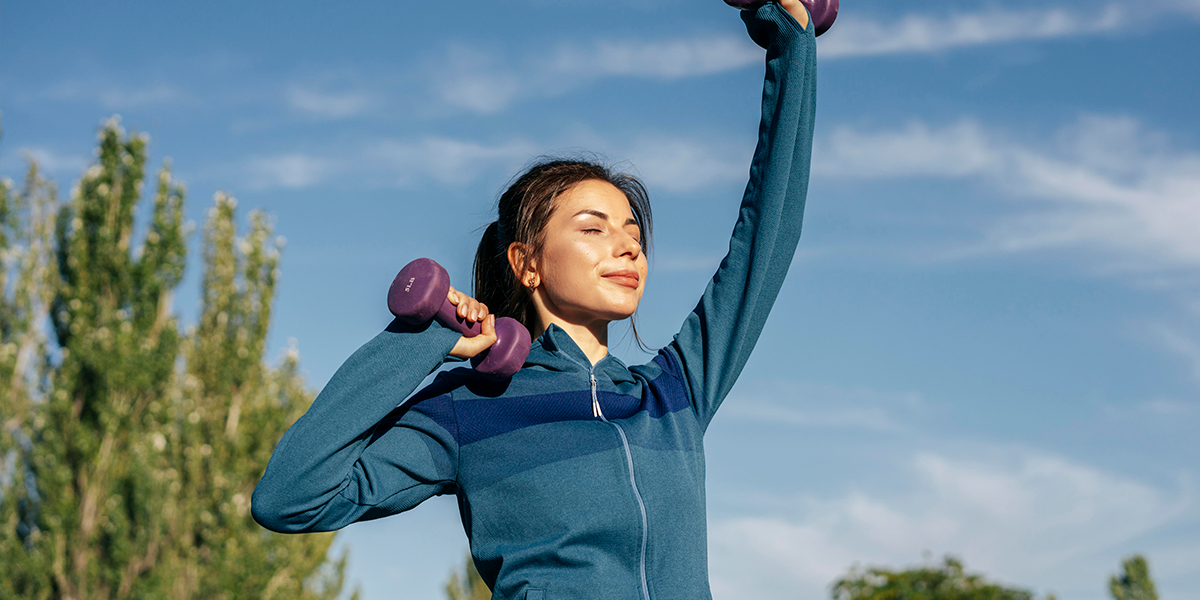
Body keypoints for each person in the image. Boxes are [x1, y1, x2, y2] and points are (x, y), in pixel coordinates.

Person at [252, 2, 817, 598]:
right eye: (594, 229)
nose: (627, 248)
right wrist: (420, 343)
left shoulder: (673, 392)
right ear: (525, 263)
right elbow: (290, 499)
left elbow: (768, 235)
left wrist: (793, 46)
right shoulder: (469, 410)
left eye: (633, 232)